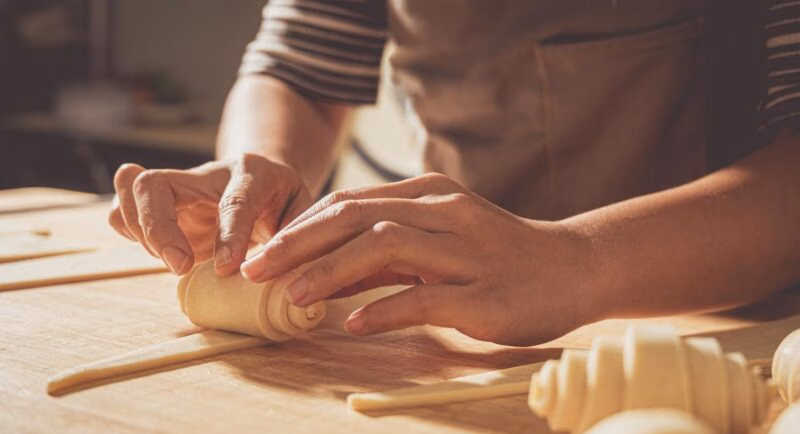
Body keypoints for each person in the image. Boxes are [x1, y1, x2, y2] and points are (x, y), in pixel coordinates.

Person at [109, 1, 800, 346]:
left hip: (731, 337)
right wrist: (257, 166)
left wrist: (579, 259)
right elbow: (299, 68)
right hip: (457, 333)